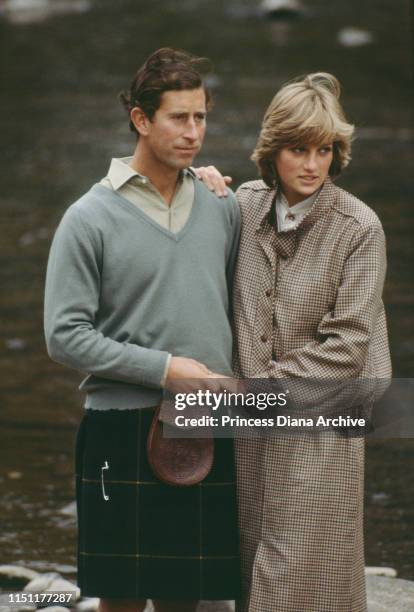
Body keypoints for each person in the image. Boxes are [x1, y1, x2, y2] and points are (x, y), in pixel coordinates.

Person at [44, 48, 241, 612]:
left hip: (203, 425)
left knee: (190, 599)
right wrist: (166, 369)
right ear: (140, 120)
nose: (194, 132)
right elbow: (65, 337)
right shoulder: (89, 218)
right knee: (123, 600)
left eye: (201, 117)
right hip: (119, 429)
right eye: (179, 117)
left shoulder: (220, 205)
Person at [196, 73, 391, 612]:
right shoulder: (244, 205)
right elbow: (190, 253)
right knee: (251, 564)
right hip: (253, 432)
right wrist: (197, 189)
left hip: (323, 426)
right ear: (273, 150)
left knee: (302, 574)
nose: (312, 164)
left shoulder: (359, 227)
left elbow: (349, 344)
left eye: (324, 150)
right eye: (298, 149)